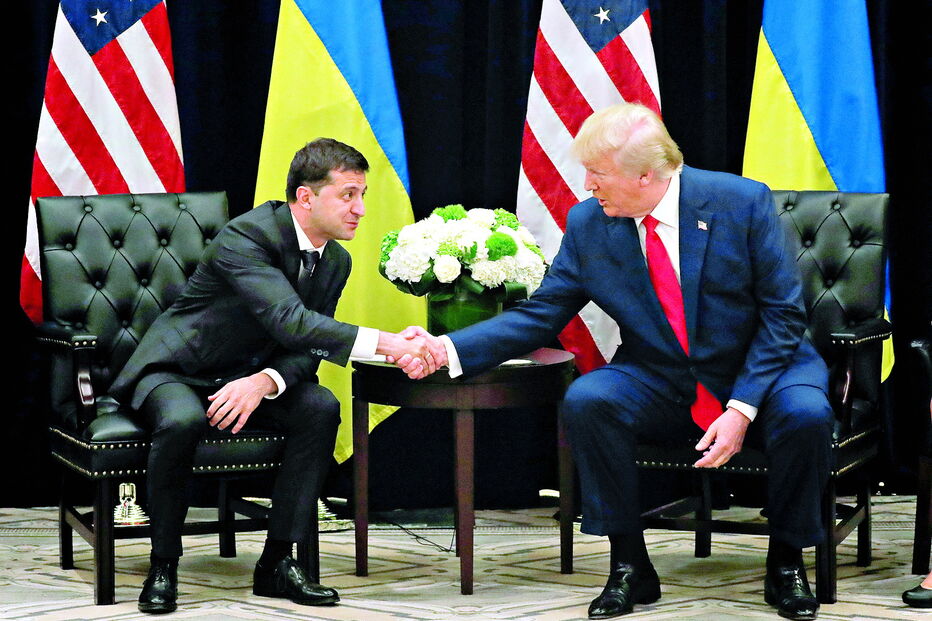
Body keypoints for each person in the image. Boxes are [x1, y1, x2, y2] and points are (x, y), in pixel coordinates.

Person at [398, 103, 833, 620]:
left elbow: (784, 317)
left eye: (598, 174)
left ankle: (786, 561)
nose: (587, 186)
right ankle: (629, 565)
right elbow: (542, 314)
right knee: (590, 399)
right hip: (662, 375)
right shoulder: (589, 223)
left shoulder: (741, 202)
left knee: (807, 414)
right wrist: (446, 349)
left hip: (765, 369)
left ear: (646, 174)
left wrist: (741, 407)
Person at [110, 138, 436, 614]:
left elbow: (310, 347)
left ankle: (278, 563)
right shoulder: (248, 236)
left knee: (320, 407)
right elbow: (292, 322)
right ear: (306, 197)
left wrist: (265, 382)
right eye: (348, 195)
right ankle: (163, 565)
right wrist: (390, 344)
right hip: (181, 370)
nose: (361, 209)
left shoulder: (336, 260)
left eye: (362, 195)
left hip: (249, 377)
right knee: (181, 422)